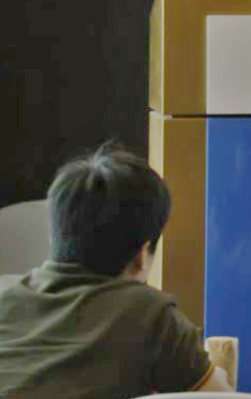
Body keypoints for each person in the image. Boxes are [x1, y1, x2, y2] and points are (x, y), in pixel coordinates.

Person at [0, 144, 234, 397]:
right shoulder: (151, 314)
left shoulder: (7, 298)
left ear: (54, 236)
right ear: (142, 255)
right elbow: (219, 397)